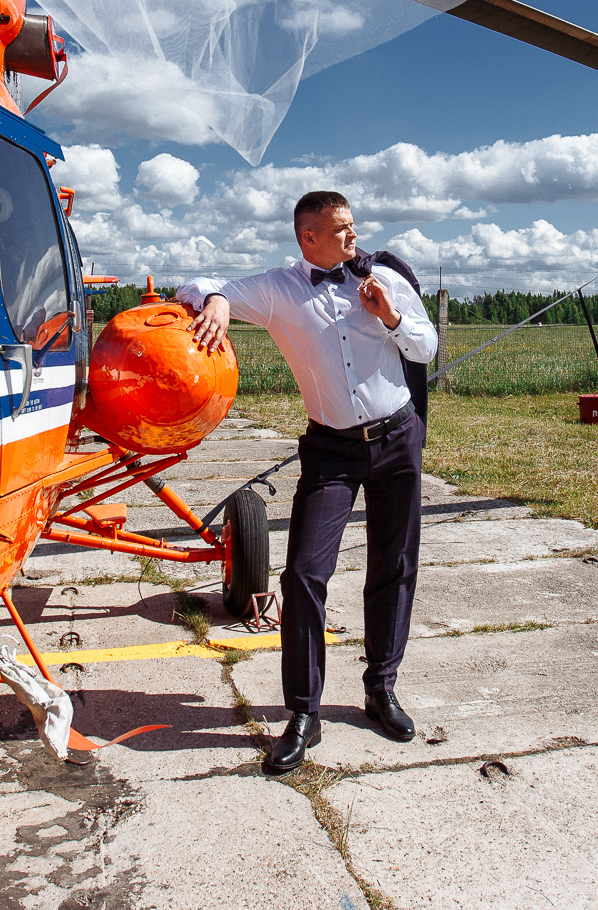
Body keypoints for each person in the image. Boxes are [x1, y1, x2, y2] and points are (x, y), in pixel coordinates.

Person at [179, 190, 438, 775]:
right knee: (301, 574)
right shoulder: (280, 290)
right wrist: (217, 301)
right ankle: (303, 713)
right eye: (341, 229)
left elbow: (426, 346)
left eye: (353, 226)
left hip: (397, 438)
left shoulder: (384, 278)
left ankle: (381, 688)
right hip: (331, 451)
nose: (353, 236)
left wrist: (390, 316)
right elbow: (197, 286)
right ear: (308, 238)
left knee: (394, 564)